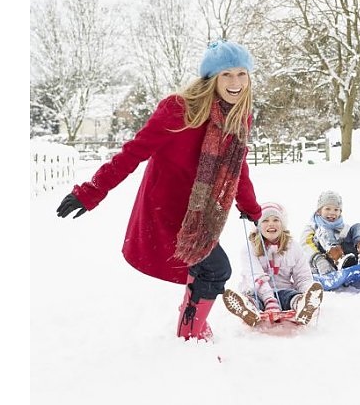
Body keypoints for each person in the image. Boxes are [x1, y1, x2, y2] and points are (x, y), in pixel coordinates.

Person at [55, 39, 263, 341]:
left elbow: (237, 166)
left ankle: (191, 321)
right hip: (167, 208)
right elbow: (133, 152)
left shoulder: (237, 117)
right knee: (216, 269)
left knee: (205, 269)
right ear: (212, 78)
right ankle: (190, 333)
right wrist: (90, 192)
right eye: (226, 74)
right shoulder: (178, 110)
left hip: (200, 212)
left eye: (241, 74)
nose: (235, 82)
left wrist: (251, 207)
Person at [222, 202, 324, 326]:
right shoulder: (250, 248)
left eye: (276, 220)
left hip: (283, 291)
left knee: (291, 296)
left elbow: (303, 276)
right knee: (254, 299)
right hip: (257, 292)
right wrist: (269, 300)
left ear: (282, 224)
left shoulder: (293, 247)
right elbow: (255, 275)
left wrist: (307, 291)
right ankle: (248, 309)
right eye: (265, 220)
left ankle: (303, 304)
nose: (271, 224)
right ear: (258, 225)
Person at [301, 190, 360, 275]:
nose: (332, 212)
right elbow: (305, 247)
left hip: (349, 260)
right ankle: (339, 259)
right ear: (319, 211)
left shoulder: (344, 228)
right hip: (325, 262)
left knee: (358, 227)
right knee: (325, 231)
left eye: (336, 209)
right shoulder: (312, 228)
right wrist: (319, 260)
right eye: (327, 209)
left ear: (340, 212)